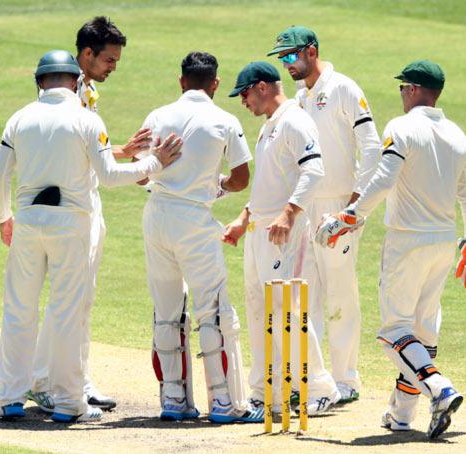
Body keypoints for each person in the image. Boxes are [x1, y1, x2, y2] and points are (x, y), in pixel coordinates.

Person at [0, 50, 182, 423]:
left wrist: (4, 217)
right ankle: (68, 403)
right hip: (71, 225)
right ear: (75, 81)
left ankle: (9, 399)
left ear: (39, 81)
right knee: (66, 312)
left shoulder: (19, 118)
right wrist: (155, 163)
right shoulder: (85, 119)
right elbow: (110, 176)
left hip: (28, 221)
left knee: (19, 310)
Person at [315, 60, 466, 439]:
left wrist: (350, 215)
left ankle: (440, 389)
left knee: (394, 331)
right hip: (444, 242)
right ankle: (401, 414)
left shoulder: (402, 127)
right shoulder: (459, 135)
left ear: (412, 89)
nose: (400, 95)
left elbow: (383, 179)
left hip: (407, 241)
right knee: (423, 333)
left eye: (401, 88)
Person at [29, 16, 151, 412]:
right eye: (109, 59)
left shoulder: (88, 88)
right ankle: (46, 381)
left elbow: (86, 148)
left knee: (82, 297)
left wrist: (121, 151)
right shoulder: (61, 89)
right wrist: (130, 162)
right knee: (69, 297)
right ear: (86, 54)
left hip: (88, 198)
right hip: (71, 205)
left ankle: (77, 379)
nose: (114, 66)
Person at [137, 52, 262, 423]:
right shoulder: (225, 120)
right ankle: (225, 404)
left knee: (167, 311)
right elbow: (240, 181)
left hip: (156, 217)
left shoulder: (157, 116)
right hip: (194, 221)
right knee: (214, 311)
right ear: (216, 84)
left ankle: (173, 401)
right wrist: (213, 185)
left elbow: (142, 174)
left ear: (181, 81)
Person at [267, 25, 381, 403]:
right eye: (281, 58)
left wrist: (355, 203)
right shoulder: (298, 97)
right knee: (306, 293)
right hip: (304, 207)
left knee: (340, 292)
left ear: (311, 51)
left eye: (291, 56)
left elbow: (371, 148)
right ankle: (313, 380)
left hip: (338, 206)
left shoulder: (344, 88)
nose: (286, 64)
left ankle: (346, 380)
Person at [224, 61, 341, 415]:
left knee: (287, 308)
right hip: (261, 231)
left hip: (284, 234)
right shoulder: (269, 127)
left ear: (261, 87)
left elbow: (314, 170)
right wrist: (244, 219)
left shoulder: (295, 120)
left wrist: (288, 214)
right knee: (258, 308)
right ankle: (264, 391)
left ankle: (321, 387)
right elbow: (267, 184)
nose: (242, 101)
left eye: (244, 94)